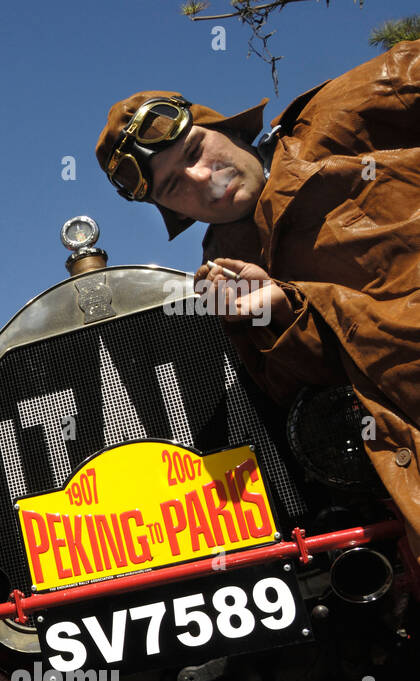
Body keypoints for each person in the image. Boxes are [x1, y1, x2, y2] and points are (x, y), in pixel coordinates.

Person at [94, 40, 420, 557]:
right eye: (176, 185)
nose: (204, 180)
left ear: (224, 127)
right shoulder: (224, 282)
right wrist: (280, 313)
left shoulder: (339, 117)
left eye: (197, 153)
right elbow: (314, 403)